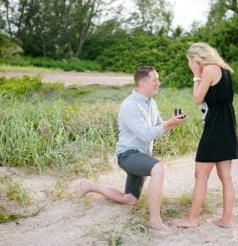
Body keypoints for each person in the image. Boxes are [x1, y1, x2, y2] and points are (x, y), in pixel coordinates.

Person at [80, 65, 187, 231]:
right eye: (155, 80)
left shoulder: (151, 103)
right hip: (128, 155)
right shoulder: (130, 105)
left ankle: (90, 186)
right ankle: (154, 220)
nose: (158, 83)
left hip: (141, 155)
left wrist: (173, 122)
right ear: (143, 83)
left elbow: (159, 129)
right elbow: (145, 134)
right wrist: (169, 123)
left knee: (130, 199)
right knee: (158, 168)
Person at [172, 42, 238, 228]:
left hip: (216, 128)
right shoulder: (224, 69)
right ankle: (227, 220)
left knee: (200, 175)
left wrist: (196, 75)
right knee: (226, 177)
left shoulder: (209, 69)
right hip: (227, 125)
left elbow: (197, 99)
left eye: (189, 60)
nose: (189, 64)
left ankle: (192, 219)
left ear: (196, 58)